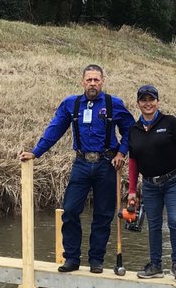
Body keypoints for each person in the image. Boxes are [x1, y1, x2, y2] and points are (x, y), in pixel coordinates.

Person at [19, 64, 132, 274]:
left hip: (106, 164)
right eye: (89, 80)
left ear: (102, 82)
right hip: (81, 163)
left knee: (103, 214)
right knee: (70, 210)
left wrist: (121, 153)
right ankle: (71, 258)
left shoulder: (113, 104)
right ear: (82, 82)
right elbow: (55, 128)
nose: (92, 84)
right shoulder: (72, 104)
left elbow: (129, 130)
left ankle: (96, 260)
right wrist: (36, 152)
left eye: (96, 80)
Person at [126, 84, 176, 284]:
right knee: (154, 225)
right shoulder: (133, 129)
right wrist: (132, 190)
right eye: (144, 100)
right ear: (138, 103)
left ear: (158, 101)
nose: (148, 104)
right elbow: (133, 162)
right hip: (149, 185)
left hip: (173, 181)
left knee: (174, 221)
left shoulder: (171, 122)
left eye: (151, 99)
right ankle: (155, 265)